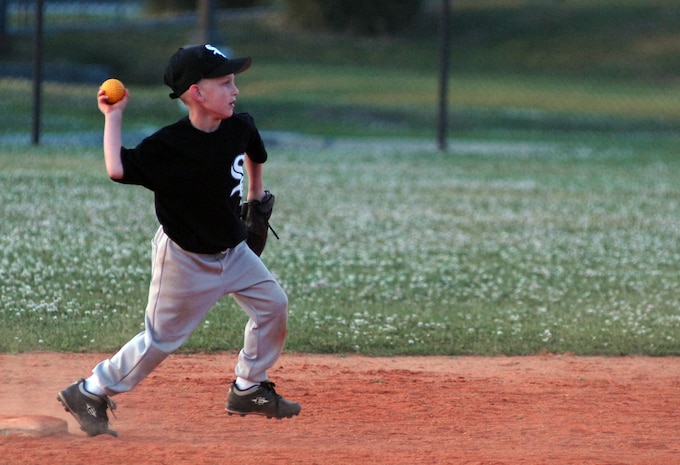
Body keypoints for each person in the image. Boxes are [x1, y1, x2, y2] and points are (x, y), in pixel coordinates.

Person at [57, 44, 301, 437]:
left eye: (234, 81)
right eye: (224, 82)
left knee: (273, 306)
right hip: (184, 259)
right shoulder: (168, 146)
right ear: (196, 93)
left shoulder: (239, 125)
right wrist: (113, 115)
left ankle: (248, 386)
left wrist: (255, 198)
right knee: (161, 341)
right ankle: (90, 390)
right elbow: (117, 168)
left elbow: (255, 152)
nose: (234, 90)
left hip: (233, 250)